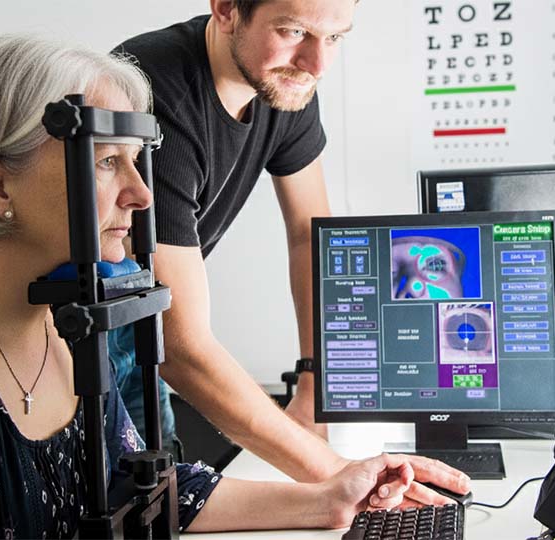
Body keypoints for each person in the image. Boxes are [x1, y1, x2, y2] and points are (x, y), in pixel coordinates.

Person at [0, 35, 464, 538]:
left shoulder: (65, 322)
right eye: (106, 161)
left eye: (138, 160)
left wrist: (327, 498)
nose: (141, 193)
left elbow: (143, 488)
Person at [112, 0, 471, 501]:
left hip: (137, 337)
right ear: (226, 8)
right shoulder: (151, 95)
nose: (316, 64)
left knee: (157, 500)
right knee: (118, 503)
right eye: (293, 30)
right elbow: (179, 343)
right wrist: (333, 472)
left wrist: (313, 384)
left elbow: (310, 234)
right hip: (63, 345)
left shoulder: (285, 82)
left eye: (335, 37)